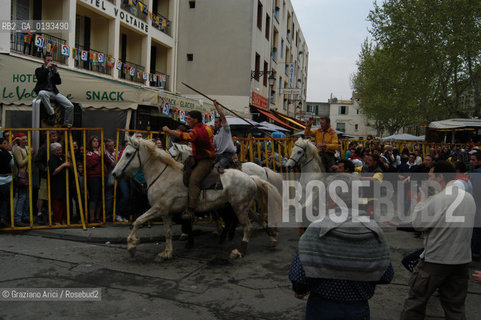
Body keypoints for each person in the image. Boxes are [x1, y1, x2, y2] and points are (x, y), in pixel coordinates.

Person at [289, 174, 394, 320]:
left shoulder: (316, 229)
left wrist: (302, 290)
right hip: (359, 309)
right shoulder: (374, 231)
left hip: (321, 308)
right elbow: (386, 275)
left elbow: (299, 278)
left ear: (331, 199)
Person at [401, 161, 476, 320]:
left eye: (430, 176)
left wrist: (420, 201)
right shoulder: (468, 197)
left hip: (436, 259)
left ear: (440, 177)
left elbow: (418, 224)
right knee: (455, 306)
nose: (427, 179)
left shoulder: (438, 199)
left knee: (415, 303)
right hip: (461, 260)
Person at [162, 110, 216, 220]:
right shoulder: (202, 128)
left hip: (205, 160)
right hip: (197, 157)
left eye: (189, 119)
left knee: (193, 180)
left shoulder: (200, 131)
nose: (187, 121)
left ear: (196, 120)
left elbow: (187, 136)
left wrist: (169, 131)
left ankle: (191, 209)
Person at [34, 53, 74, 128]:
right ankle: (51, 113)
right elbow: (40, 78)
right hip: (45, 91)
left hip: (54, 92)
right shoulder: (39, 70)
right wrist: (46, 68)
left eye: (51, 60)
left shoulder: (52, 71)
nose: (50, 62)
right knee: (42, 93)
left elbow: (59, 82)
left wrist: (56, 72)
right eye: (48, 60)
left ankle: (67, 124)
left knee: (70, 105)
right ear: (44, 61)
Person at [34, 130, 59, 224]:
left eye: (55, 136)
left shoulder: (57, 146)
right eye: (53, 136)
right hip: (46, 175)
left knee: (53, 194)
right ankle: (39, 213)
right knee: (43, 194)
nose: (55, 138)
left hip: (55, 175)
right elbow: (37, 160)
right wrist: (44, 168)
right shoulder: (44, 147)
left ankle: (51, 212)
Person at [13, 133, 34, 226]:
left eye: (26, 139)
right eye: (23, 139)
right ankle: (17, 218)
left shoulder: (27, 148)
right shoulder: (17, 149)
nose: (25, 141)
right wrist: (29, 155)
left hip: (28, 174)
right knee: (22, 196)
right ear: (19, 140)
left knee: (27, 196)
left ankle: (25, 216)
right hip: (22, 174)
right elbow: (21, 163)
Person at [48, 143, 70, 225]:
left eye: (60, 149)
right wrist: (63, 165)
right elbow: (53, 172)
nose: (60, 151)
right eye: (58, 150)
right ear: (54, 151)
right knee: (57, 203)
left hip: (63, 183)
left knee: (63, 202)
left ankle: (63, 219)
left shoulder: (63, 157)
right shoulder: (52, 159)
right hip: (56, 184)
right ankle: (57, 220)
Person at [86, 136, 105, 223]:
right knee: (94, 197)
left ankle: (97, 217)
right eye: (94, 141)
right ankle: (92, 218)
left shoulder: (101, 152)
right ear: (90, 143)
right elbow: (89, 164)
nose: (96, 142)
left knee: (100, 198)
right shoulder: (88, 152)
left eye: (97, 141)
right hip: (93, 177)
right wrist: (98, 156)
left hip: (102, 176)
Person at [213, 100, 236, 169]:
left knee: (215, 168)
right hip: (218, 155)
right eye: (214, 122)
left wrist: (216, 106)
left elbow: (223, 117)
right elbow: (213, 146)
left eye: (216, 122)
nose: (215, 124)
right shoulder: (216, 135)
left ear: (221, 123)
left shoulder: (225, 129)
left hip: (227, 155)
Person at [469, 151, 481, 261]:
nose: (471, 162)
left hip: (477, 205)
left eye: (473, 160)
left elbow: (476, 191)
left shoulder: (477, 173)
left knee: (476, 229)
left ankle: (475, 252)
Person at [0, 137, 14, 227]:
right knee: (4, 200)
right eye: (5, 143)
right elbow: (12, 164)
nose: (7, 145)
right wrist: (10, 153)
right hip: (4, 180)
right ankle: (3, 218)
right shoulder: (6, 153)